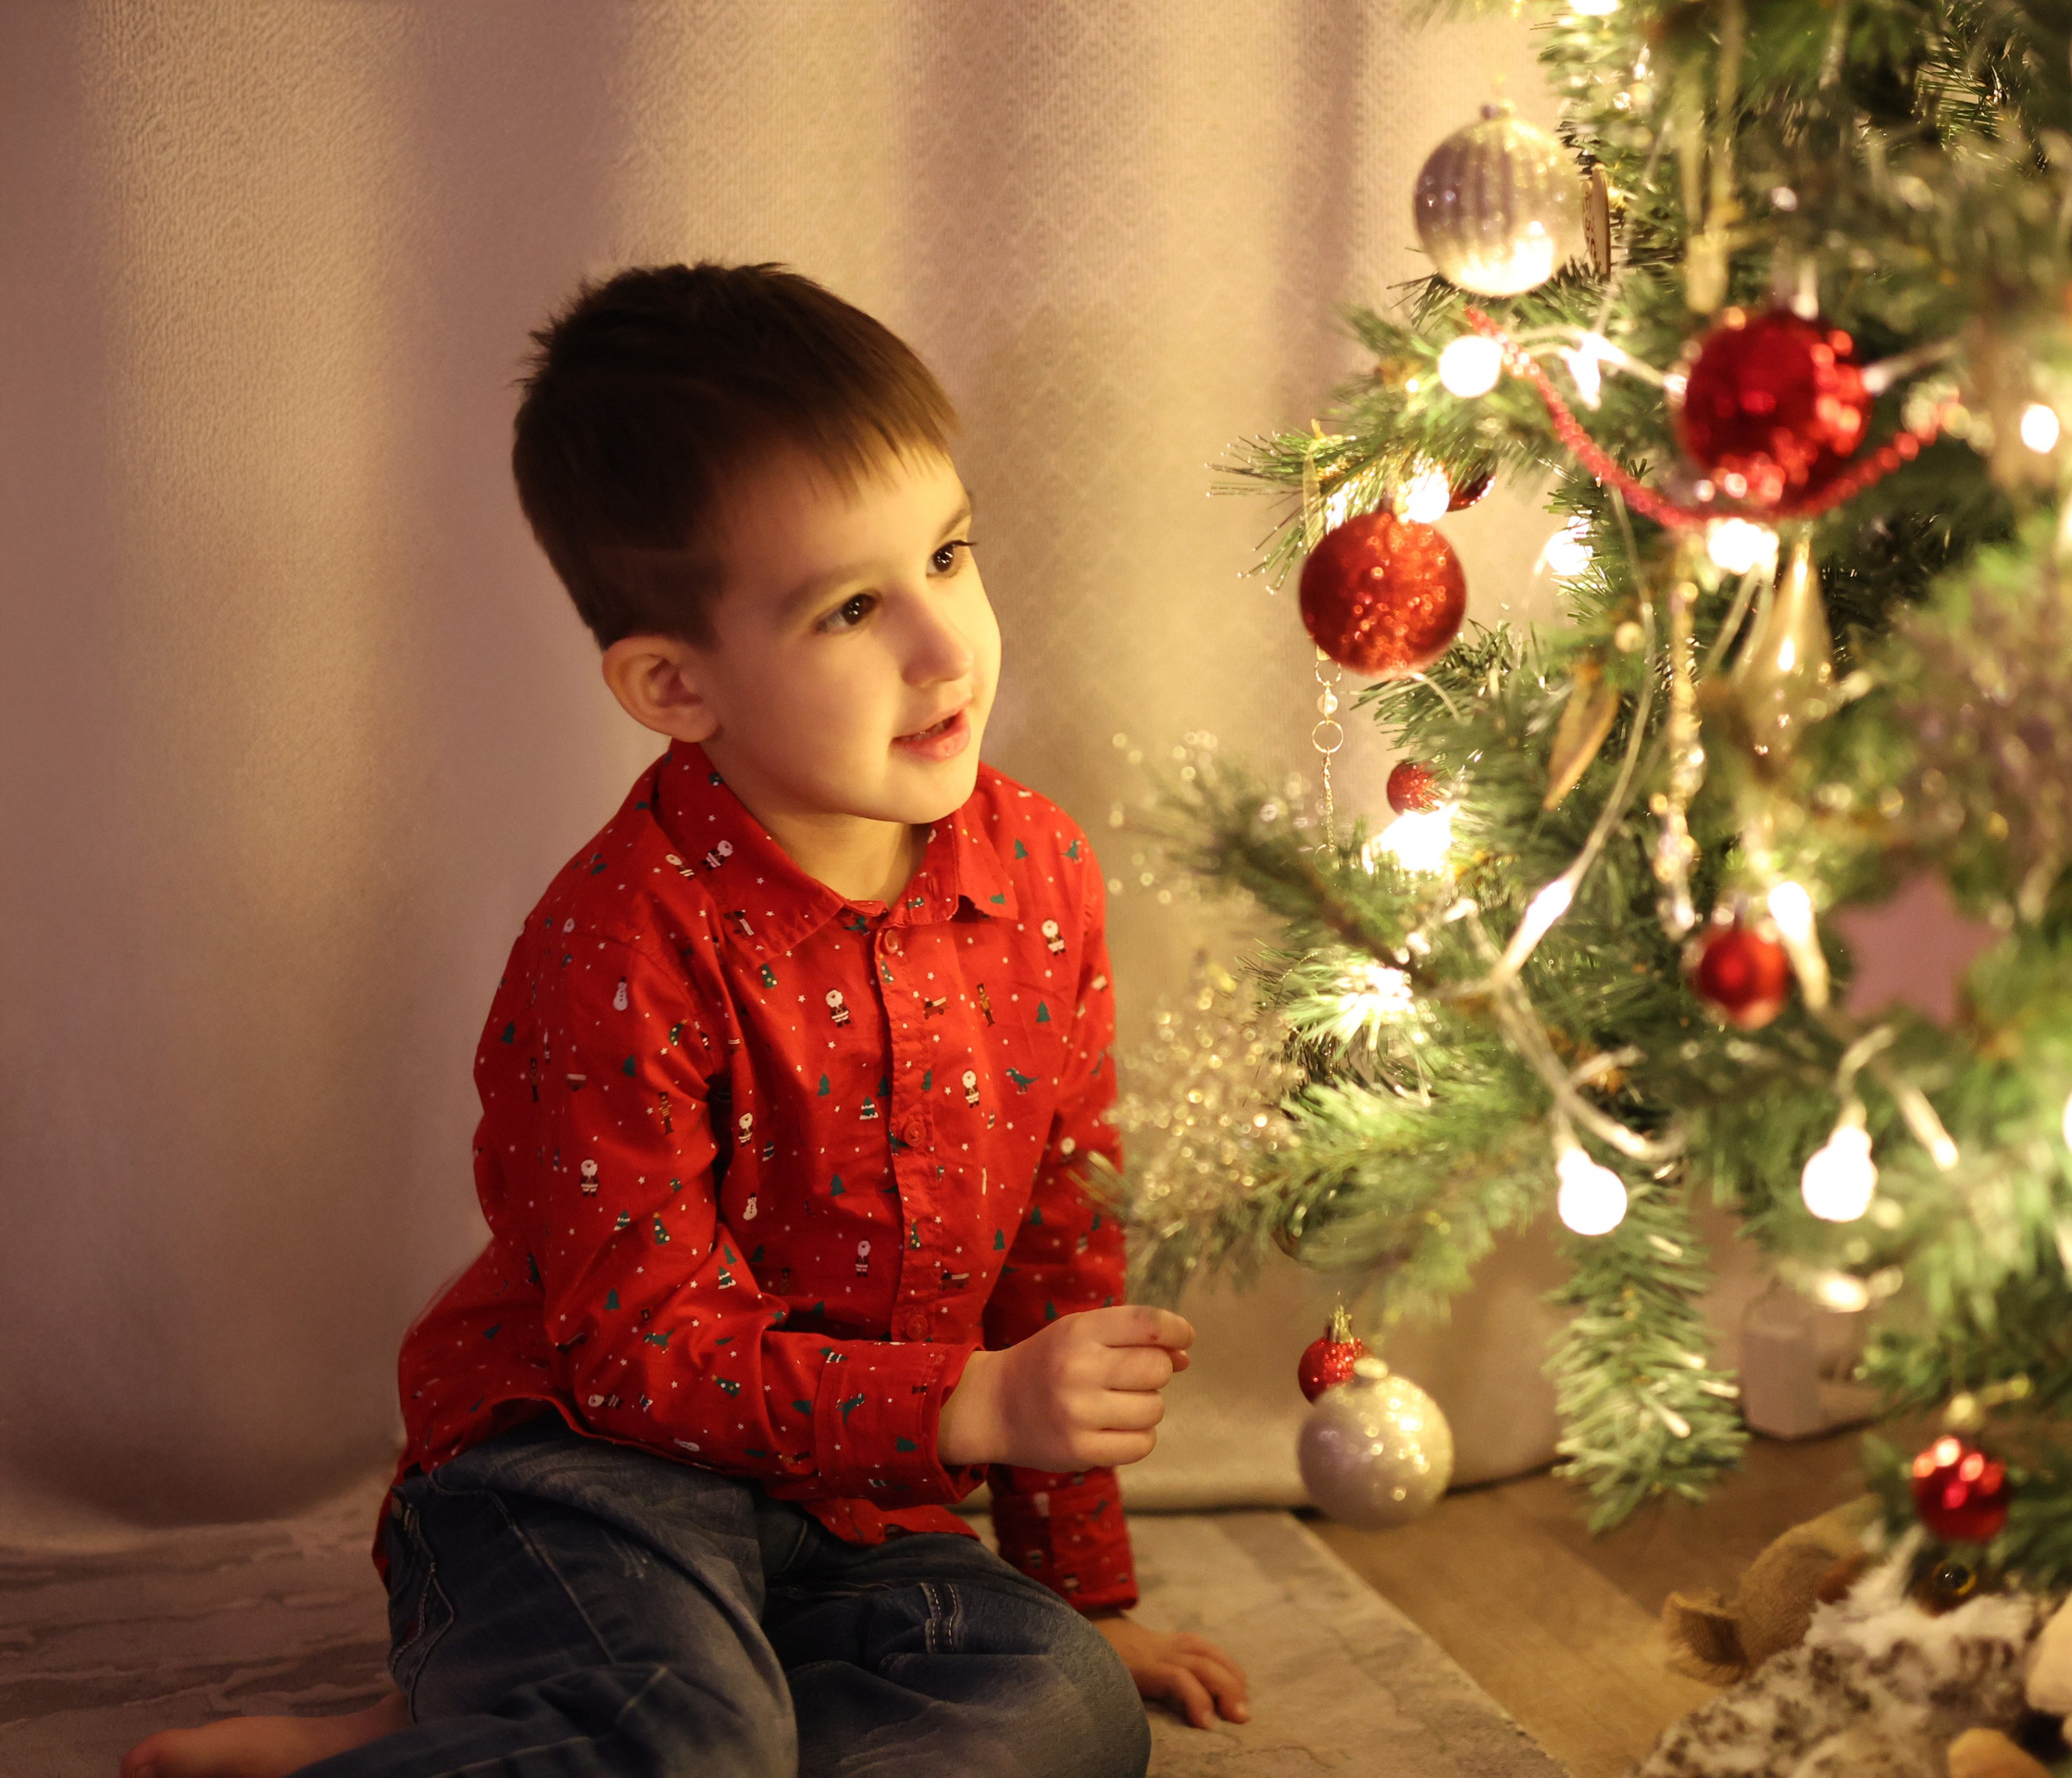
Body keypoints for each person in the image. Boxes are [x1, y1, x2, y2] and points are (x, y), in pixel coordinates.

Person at [122, 263, 1248, 1778]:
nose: (942, 646)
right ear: (674, 682)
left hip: (861, 1510)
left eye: (950, 555)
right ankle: (578, 1709)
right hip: (586, 1478)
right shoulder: (621, 938)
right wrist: (972, 1401)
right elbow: (644, 1358)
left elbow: (1062, 1229)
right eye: (853, 607)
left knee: (1063, 1711)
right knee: (686, 1742)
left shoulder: (1036, 868)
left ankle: (510, 1726)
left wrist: (1081, 1587)